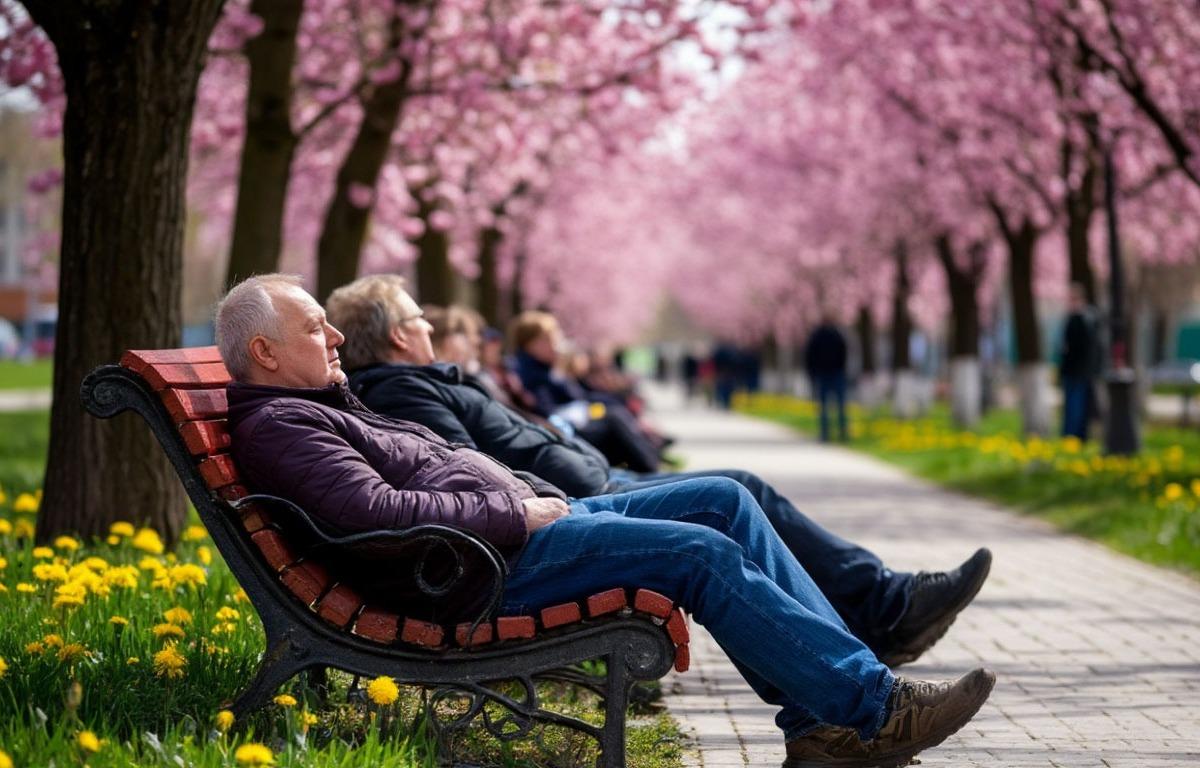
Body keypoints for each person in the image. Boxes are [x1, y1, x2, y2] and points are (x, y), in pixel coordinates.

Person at [219, 274, 995, 767]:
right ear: (265, 350)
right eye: (315, 327)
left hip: (515, 529)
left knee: (725, 498)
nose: (332, 337)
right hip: (483, 566)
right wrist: (512, 511)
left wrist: (522, 498)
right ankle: (874, 710)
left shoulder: (317, 401)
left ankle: (822, 725)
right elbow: (375, 512)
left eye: (329, 323)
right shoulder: (286, 423)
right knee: (701, 554)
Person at [327, 275, 993, 664]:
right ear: (394, 335)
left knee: (737, 492)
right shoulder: (399, 387)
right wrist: (555, 497)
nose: (431, 328)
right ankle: (876, 623)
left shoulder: (413, 380)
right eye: (419, 319)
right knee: (729, 499)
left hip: (587, 488)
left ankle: (875, 621)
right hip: (573, 508)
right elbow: (462, 471)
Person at [509, 310, 664, 472]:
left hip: (572, 421)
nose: (555, 344)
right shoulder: (527, 372)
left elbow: (577, 396)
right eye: (547, 340)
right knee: (613, 419)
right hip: (563, 429)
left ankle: (651, 461)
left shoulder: (544, 368)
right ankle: (651, 468)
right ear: (529, 343)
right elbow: (547, 408)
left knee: (614, 411)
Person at [1058, 283, 1100, 441]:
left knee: (1075, 406)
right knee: (1079, 405)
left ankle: (1072, 436)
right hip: (1083, 371)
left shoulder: (1078, 319)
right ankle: (1078, 436)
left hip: (1075, 371)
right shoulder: (1090, 318)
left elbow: (1072, 348)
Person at [805, 317, 850, 443]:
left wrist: (812, 373)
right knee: (839, 406)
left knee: (825, 407)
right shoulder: (836, 335)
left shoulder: (816, 336)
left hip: (825, 374)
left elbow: (809, 356)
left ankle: (826, 435)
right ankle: (841, 434)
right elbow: (844, 352)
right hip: (834, 373)